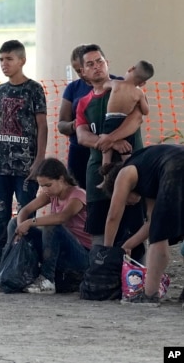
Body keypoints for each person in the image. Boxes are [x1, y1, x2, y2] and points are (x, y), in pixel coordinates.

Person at [0, 40, 47, 285]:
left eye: (9, 59)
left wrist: (39, 160)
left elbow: (42, 126)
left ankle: (28, 265)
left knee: (26, 217)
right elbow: (1, 129)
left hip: (25, 167)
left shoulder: (34, 90)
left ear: (22, 60)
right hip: (2, 166)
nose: (4, 64)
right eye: (1, 59)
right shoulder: (1, 91)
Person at [75, 44, 145, 259]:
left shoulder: (125, 89)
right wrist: (111, 143)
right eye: (90, 64)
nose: (96, 67)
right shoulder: (83, 102)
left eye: (100, 62)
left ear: (107, 64)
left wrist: (110, 138)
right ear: (83, 72)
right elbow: (82, 136)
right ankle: (101, 276)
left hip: (131, 168)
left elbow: (137, 118)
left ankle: (137, 282)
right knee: (99, 230)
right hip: (98, 171)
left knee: (134, 229)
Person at [99, 144, 184, 307]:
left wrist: (107, 251)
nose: (131, 204)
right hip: (176, 162)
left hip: (176, 166)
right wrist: (128, 245)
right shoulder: (149, 174)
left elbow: (113, 216)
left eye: (127, 201)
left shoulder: (124, 172)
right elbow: (152, 221)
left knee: (159, 237)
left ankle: (149, 295)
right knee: (159, 229)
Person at [7, 158, 91, 294]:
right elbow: (25, 210)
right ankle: (13, 274)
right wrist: (20, 227)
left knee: (52, 226)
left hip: (80, 255)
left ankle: (47, 280)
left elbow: (61, 218)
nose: (45, 189)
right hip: (59, 252)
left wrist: (30, 222)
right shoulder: (50, 193)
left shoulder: (78, 195)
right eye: (42, 186)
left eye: (48, 185)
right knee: (13, 223)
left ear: (62, 179)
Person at [99, 60, 154, 167]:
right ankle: (126, 176)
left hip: (110, 120)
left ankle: (105, 179)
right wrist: (140, 99)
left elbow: (104, 85)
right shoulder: (139, 93)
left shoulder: (116, 83)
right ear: (143, 83)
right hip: (125, 124)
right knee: (126, 155)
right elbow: (145, 111)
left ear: (130, 69)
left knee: (106, 152)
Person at [57, 45, 91, 189]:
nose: (82, 74)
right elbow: (61, 125)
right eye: (78, 71)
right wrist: (76, 124)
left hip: (107, 150)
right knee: (78, 191)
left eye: (84, 68)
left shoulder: (115, 84)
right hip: (80, 150)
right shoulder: (73, 89)